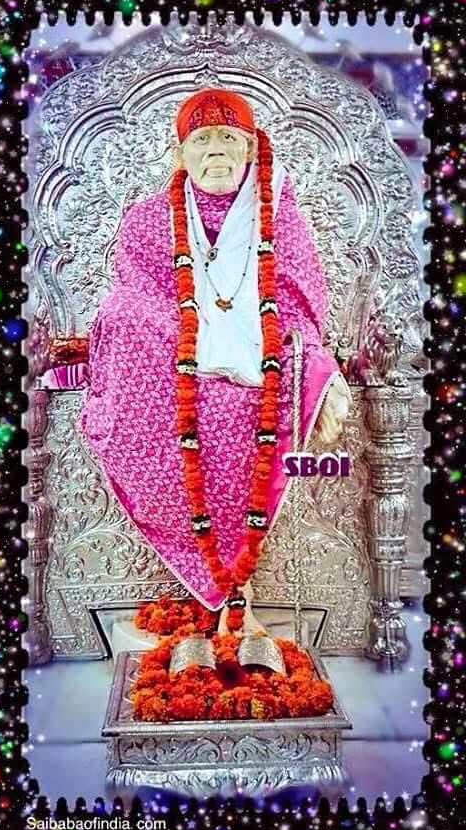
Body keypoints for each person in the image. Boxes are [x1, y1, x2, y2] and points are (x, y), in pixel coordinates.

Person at [80, 87, 351, 635]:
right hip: (173, 358)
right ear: (181, 153)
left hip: (261, 358)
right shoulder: (148, 219)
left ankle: (235, 597)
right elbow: (136, 293)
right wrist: (202, 337)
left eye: (228, 137)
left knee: (295, 363)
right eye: (202, 140)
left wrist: (318, 368)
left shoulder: (280, 217)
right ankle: (220, 595)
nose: (216, 150)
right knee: (123, 316)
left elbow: (300, 304)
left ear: (251, 147)